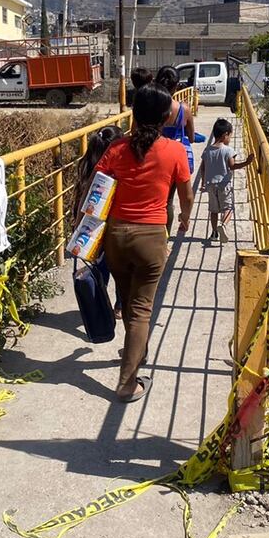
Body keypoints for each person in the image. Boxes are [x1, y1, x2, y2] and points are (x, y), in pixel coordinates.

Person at [95, 83, 193, 402]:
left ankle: (138, 350)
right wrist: (184, 218)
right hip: (151, 238)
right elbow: (186, 195)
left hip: (116, 237)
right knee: (140, 311)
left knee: (127, 301)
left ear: (134, 114)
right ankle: (127, 383)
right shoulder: (175, 151)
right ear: (166, 117)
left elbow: (95, 191)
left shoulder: (115, 150)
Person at [73, 125, 124, 318]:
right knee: (119, 268)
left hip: (91, 229)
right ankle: (119, 305)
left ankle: (101, 304)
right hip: (113, 225)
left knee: (99, 270)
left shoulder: (88, 165)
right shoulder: (114, 168)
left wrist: (77, 225)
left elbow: (79, 200)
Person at [199, 118, 253, 244]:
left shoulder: (207, 150)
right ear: (225, 135)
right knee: (228, 208)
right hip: (224, 184)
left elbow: (203, 167)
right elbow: (232, 166)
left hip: (211, 185)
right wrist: (247, 162)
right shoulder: (228, 150)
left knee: (213, 210)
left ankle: (214, 233)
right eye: (230, 136)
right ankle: (223, 225)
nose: (230, 139)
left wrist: (203, 182)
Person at [155, 65, 195, 235]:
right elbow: (191, 138)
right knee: (168, 202)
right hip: (175, 158)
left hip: (155, 153)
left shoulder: (152, 107)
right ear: (176, 85)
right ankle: (165, 237)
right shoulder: (183, 109)